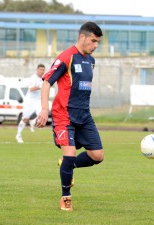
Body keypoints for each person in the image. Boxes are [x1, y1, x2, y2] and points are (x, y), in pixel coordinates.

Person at [36, 22, 104, 211]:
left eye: (98, 42)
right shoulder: (66, 57)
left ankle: (68, 165)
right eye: (93, 41)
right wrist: (44, 109)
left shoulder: (91, 61)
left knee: (97, 156)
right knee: (70, 153)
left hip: (84, 115)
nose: (96, 45)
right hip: (64, 115)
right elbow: (47, 82)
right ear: (82, 37)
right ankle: (66, 197)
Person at [16, 64, 45, 143]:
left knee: (42, 115)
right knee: (25, 119)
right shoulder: (33, 78)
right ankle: (18, 135)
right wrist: (40, 86)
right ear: (37, 70)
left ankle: (33, 121)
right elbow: (31, 89)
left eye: (43, 70)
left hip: (38, 101)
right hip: (30, 101)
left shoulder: (43, 79)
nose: (42, 71)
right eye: (40, 69)